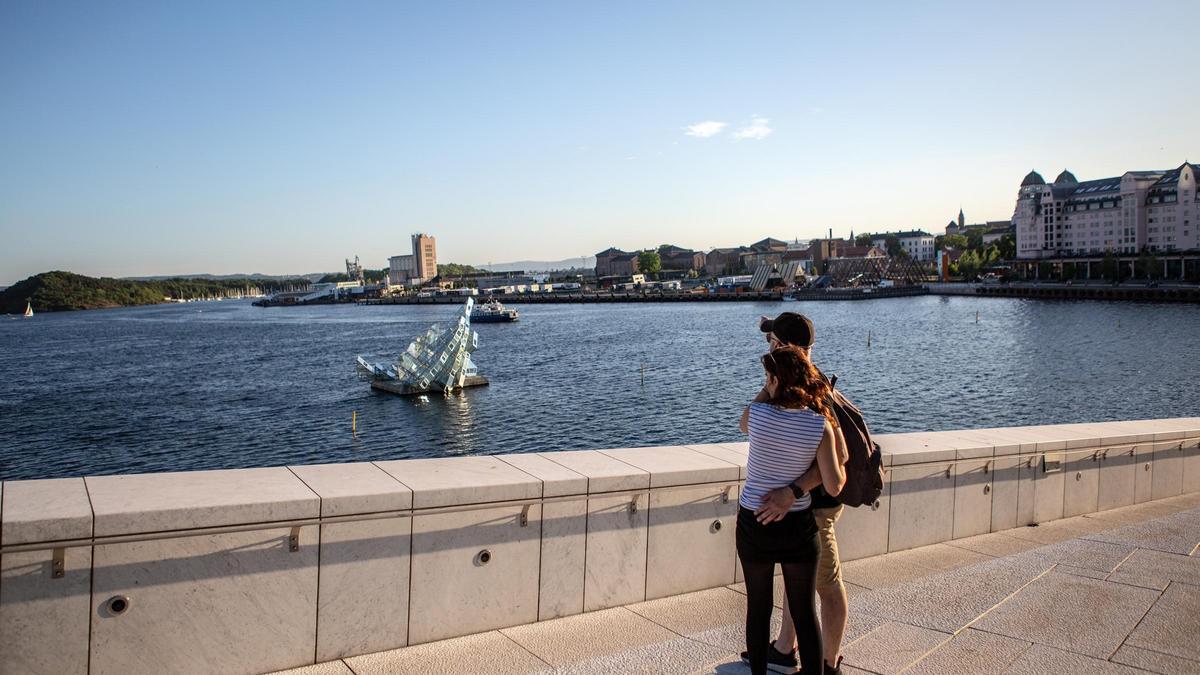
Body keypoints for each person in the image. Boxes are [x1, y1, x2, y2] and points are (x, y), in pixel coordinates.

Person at [742, 312, 851, 675]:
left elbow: (841, 459)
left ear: (782, 346)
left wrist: (793, 490)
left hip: (814, 508)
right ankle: (786, 650)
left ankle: (828, 663)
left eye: (771, 341)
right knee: (799, 589)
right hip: (799, 511)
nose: (768, 347)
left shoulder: (815, 392)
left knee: (826, 585)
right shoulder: (791, 387)